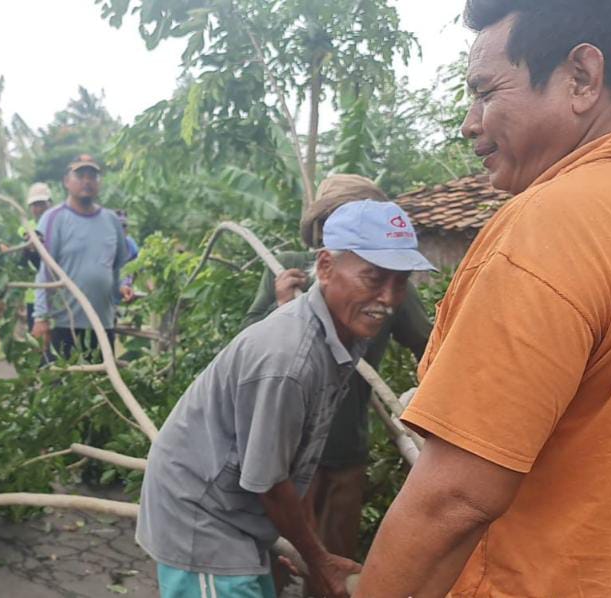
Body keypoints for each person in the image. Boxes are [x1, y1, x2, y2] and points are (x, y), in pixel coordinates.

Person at [358, 1, 611, 596]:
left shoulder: (550, 227)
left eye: (485, 90)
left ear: (581, 77)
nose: (469, 122)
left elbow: (453, 502)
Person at [137, 200, 435, 598]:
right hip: (203, 520)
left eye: (401, 282)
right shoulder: (289, 360)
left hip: (236, 511)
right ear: (325, 267)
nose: (389, 297)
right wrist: (317, 558)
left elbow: (295, 464)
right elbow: (270, 481)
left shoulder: (341, 336)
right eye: (374, 278)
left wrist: (287, 542)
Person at [240, 174, 431, 564]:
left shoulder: (391, 285)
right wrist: (281, 305)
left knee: (332, 563)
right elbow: (246, 348)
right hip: (283, 453)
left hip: (344, 449)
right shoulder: (289, 272)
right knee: (275, 557)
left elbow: (428, 347)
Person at [30, 154, 131, 361]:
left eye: (92, 176)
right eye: (80, 176)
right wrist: (41, 317)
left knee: (101, 387)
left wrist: (123, 287)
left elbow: (119, 266)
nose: (87, 181)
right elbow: (45, 272)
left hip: (103, 324)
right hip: (65, 324)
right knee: (63, 388)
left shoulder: (111, 221)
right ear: (67, 182)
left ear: (98, 183)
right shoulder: (54, 219)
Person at [22, 182, 52, 330]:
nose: (38, 209)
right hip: (33, 295)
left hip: (56, 294)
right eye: (35, 205)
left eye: (42, 204)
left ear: (50, 204)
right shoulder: (25, 229)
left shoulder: (59, 225)